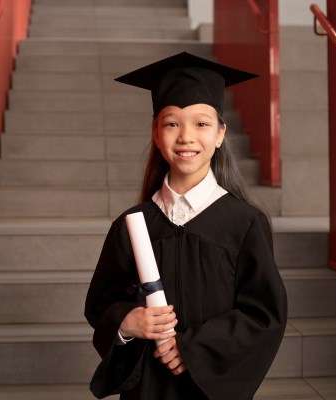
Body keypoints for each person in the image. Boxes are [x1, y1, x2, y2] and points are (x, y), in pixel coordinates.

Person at [84, 51, 288, 400]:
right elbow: (101, 304)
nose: (186, 137)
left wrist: (193, 350)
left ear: (221, 133)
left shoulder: (244, 223)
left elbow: (263, 316)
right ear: (155, 131)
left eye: (202, 123)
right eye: (172, 123)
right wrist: (128, 322)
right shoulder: (133, 225)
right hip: (146, 388)